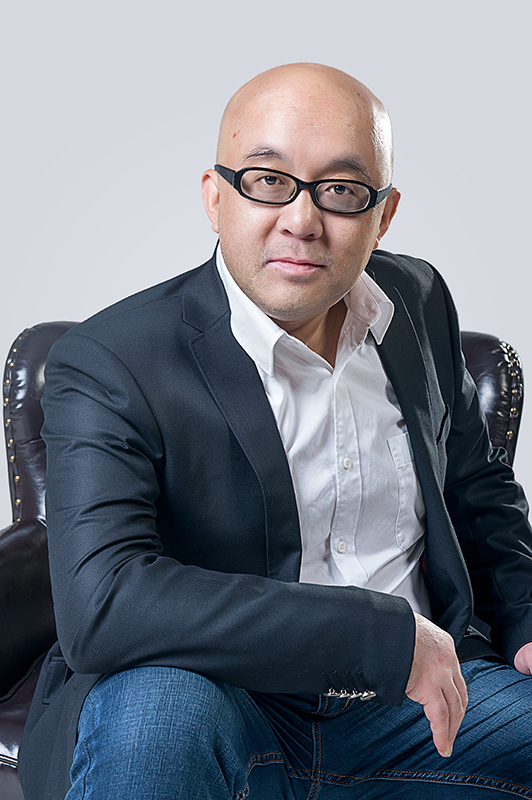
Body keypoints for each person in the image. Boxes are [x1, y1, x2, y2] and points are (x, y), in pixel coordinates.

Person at [19, 63, 532, 799]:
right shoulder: (110, 360)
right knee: (154, 711)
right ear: (215, 196)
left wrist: (524, 616)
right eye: (267, 180)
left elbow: (477, 489)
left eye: (342, 190)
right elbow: (106, 604)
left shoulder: (418, 301)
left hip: (426, 711)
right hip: (218, 702)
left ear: (384, 214)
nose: (301, 219)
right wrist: (379, 637)